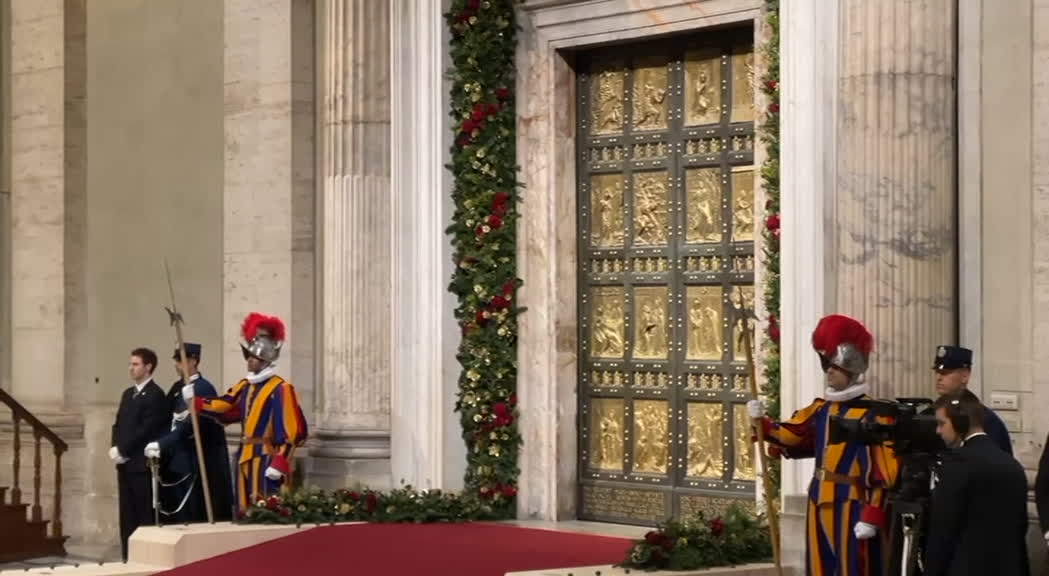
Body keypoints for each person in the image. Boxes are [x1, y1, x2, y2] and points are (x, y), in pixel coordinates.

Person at [747, 314, 899, 576]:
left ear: (852, 369)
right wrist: (761, 421)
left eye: (835, 366)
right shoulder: (821, 409)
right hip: (819, 497)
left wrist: (872, 514)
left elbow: (884, 473)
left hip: (853, 503)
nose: (828, 370)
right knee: (820, 566)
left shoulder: (875, 413)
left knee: (853, 567)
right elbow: (792, 435)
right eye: (827, 364)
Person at [182, 313, 308, 513]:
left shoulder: (281, 388)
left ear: (265, 360)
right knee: (244, 508)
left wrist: (280, 461)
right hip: (245, 454)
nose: (249, 361)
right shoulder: (245, 385)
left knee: (268, 509)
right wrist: (196, 400)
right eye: (249, 356)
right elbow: (225, 406)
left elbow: (292, 431)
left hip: (267, 456)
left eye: (255, 358)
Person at [923, 393, 1028, 576]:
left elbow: (943, 532)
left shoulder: (958, 464)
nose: (938, 431)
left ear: (960, 422)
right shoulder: (1012, 464)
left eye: (941, 423)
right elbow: (1021, 526)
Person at [143, 343, 234, 523]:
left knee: (191, 514)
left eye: (180, 360)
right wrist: (158, 441)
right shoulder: (178, 388)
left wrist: (162, 443)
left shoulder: (203, 388)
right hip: (175, 460)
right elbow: (165, 419)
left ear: (193, 361)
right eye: (176, 360)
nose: (177, 364)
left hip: (192, 462)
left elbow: (189, 425)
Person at [110, 347, 170, 561]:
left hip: (140, 465)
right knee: (126, 514)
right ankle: (126, 556)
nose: (131, 368)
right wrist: (114, 447)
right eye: (130, 364)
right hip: (124, 463)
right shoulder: (128, 394)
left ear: (148, 367)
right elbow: (118, 424)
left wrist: (124, 449)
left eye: (135, 364)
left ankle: (143, 558)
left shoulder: (155, 395)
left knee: (142, 513)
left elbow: (146, 429)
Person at [930, 345, 1012, 454]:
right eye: (937, 372)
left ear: (965, 376)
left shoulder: (984, 419)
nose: (938, 378)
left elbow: (996, 463)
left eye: (945, 373)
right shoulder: (930, 412)